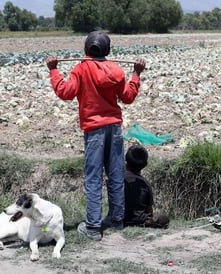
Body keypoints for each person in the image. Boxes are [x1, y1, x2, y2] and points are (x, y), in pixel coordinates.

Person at [45, 31, 146, 241]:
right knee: (116, 174)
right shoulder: (116, 70)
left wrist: (54, 70)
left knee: (93, 178)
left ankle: (92, 227)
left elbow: (65, 92)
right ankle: (116, 220)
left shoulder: (81, 69)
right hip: (115, 129)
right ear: (107, 51)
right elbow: (127, 97)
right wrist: (136, 74)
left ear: (85, 50)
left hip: (94, 130)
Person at [123, 144, 169, 229]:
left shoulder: (119, 180)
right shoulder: (145, 183)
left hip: (121, 219)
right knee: (164, 218)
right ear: (145, 164)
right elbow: (149, 210)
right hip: (139, 221)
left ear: (126, 163)